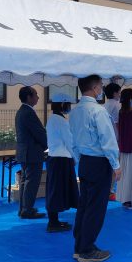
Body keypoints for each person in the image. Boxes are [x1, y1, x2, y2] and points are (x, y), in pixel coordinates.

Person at [69, 75, 121, 262]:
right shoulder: (97, 111)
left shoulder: (75, 112)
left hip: (85, 162)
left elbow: (72, 140)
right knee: (96, 208)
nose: (101, 90)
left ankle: (80, 245)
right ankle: (86, 249)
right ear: (94, 88)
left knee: (84, 206)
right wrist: (116, 165)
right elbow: (107, 140)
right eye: (100, 86)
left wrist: (78, 159)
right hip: (99, 163)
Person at [45, 93, 79, 233]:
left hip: (55, 158)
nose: (69, 107)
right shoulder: (60, 121)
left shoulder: (53, 119)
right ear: (62, 104)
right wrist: (76, 158)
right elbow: (69, 142)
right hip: (62, 159)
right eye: (68, 104)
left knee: (55, 190)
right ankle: (53, 223)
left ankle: (54, 221)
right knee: (57, 191)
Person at [15, 86, 47, 219]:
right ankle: (27, 209)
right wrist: (48, 145)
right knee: (31, 182)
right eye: (35, 94)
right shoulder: (28, 112)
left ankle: (24, 208)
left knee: (25, 181)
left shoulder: (21, 111)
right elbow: (39, 133)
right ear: (29, 97)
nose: (38, 97)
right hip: (32, 153)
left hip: (24, 152)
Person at [103, 83, 121, 201]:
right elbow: (118, 123)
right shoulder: (117, 105)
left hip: (105, 138)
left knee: (106, 165)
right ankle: (110, 191)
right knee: (115, 165)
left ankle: (106, 189)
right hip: (115, 138)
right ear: (115, 93)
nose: (120, 94)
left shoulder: (104, 105)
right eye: (119, 92)